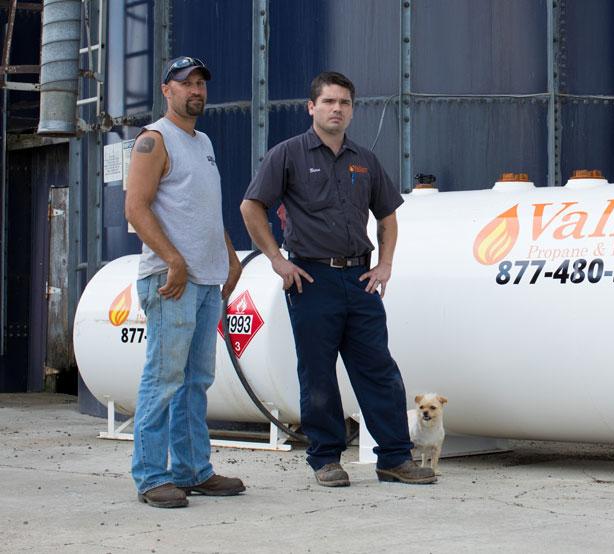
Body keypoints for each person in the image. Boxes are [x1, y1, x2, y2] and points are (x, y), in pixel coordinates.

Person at [240, 71, 434, 487]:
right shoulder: (287, 155)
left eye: (344, 103)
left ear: (351, 109)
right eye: (328, 102)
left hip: (360, 279)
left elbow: (387, 215)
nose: (337, 109)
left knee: (379, 369)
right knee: (318, 373)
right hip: (311, 280)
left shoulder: (364, 159)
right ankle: (326, 459)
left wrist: (385, 265)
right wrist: (276, 259)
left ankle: (395, 459)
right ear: (312, 107)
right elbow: (251, 207)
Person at [124, 56, 245, 508]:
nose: (195, 90)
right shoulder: (154, 141)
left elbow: (205, 212)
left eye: (200, 83)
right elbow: (136, 208)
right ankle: (151, 476)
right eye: (185, 83)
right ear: (166, 90)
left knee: (196, 381)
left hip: (206, 280)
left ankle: (193, 470)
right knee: (164, 378)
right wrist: (173, 260)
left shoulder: (204, 141)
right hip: (171, 281)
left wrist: (231, 258)